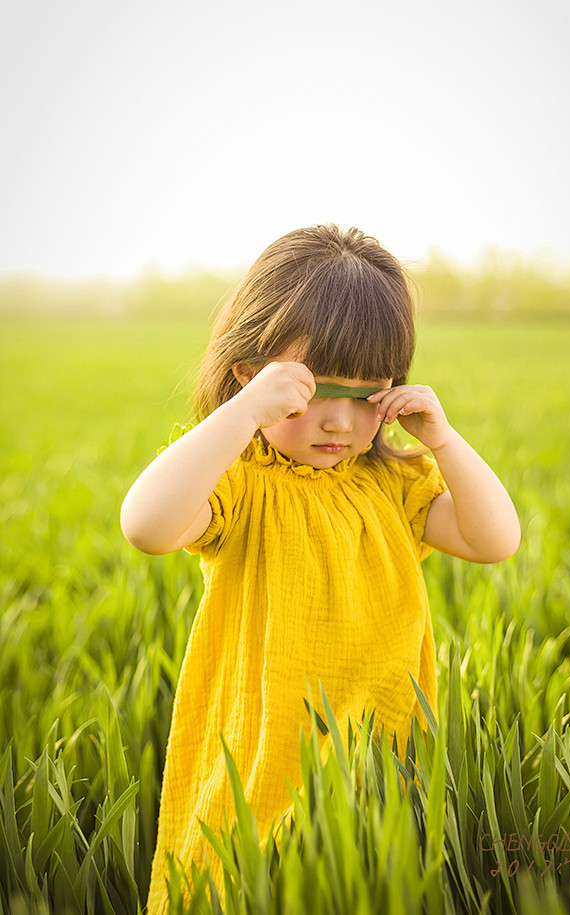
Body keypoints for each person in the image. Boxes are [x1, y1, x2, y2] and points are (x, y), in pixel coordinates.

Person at [120, 223, 521, 912]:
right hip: (269, 754)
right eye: (315, 391)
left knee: (365, 880)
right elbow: (146, 525)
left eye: (368, 395)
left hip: (383, 752)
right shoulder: (244, 482)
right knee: (251, 885)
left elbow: (495, 539)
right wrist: (242, 415)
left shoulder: (393, 485)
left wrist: (446, 441)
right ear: (252, 374)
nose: (340, 421)